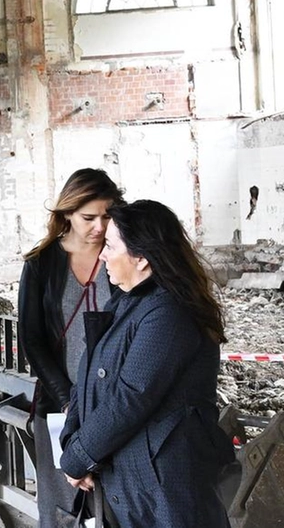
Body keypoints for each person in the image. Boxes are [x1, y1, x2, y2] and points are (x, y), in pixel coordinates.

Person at [59, 200, 234, 528]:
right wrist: (75, 448)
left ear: (141, 257)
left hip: (167, 488)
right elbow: (89, 380)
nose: (102, 255)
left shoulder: (169, 313)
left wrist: (79, 456)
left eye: (110, 246)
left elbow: (130, 398)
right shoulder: (128, 303)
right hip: (134, 483)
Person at [17, 169, 124, 528]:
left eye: (107, 216)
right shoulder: (41, 264)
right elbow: (32, 339)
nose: (99, 226)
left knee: (116, 506)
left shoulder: (125, 258)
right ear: (66, 215)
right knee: (63, 510)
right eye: (88, 218)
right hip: (59, 405)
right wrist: (67, 399)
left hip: (117, 405)